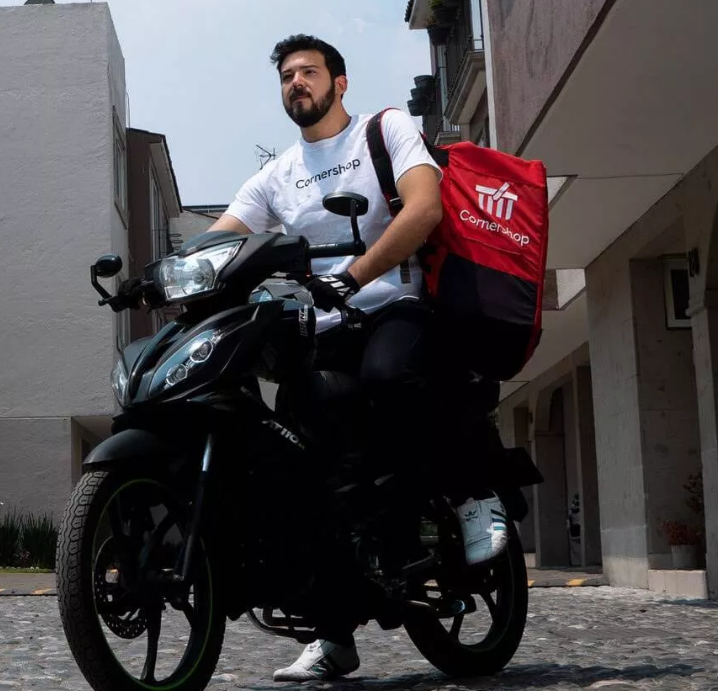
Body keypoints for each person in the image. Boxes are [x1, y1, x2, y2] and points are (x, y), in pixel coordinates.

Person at [207, 34, 509, 683]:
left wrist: (353, 275)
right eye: (286, 75)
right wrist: (159, 277)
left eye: (308, 72)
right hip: (321, 331)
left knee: (389, 376)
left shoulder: (383, 130)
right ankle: (333, 635)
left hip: (394, 307)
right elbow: (218, 238)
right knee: (296, 465)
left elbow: (424, 208)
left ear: (338, 82)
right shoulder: (276, 175)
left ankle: (471, 492)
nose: (296, 83)